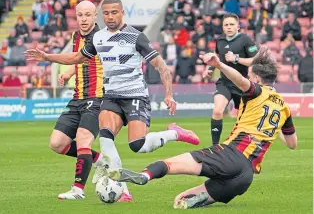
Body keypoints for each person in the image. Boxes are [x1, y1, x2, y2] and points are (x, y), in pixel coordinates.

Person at [24, 0, 200, 197]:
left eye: (114, 12)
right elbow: (77, 58)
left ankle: (174, 133)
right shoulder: (98, 38)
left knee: (138, 145)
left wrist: (169, 94)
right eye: (106, 13)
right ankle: (122, 189)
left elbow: (161, 66)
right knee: (106, 142)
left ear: (122, 12)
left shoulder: (136, 37)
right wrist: (48, 57)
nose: (110, 17)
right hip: (110, 97)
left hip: (134, 96)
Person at [108, 48, 297, 209]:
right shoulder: (284, 108)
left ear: (256, 77)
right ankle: (199, 198)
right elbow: (292, 144)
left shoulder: (257, 91)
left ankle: (144, 175)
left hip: (231, 155)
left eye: (250, 76)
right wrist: (274, 127)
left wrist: (220, 66)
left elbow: (240, 81)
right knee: (181, 200)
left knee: (170, 164)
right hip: (245, 176)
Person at [26, 1, 126, 201]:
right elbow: (81, 59)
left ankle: (78, 189)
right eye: (80, 15)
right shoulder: (75, 36)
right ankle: (99, 161)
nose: (83, 19)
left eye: (87, 15)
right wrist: (70, 73)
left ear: (95, 15)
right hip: (77, 97)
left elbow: (78, 58)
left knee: (82, 139)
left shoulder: (100, 37)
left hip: (96, 98)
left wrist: (48, 56)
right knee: (57, 143)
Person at [202, 13, 258, 145]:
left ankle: (243, 146)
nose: (229, 27)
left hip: (242, 84)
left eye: (232, 24)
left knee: (244, 119)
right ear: (222, 27)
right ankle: (214, 147)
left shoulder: (246, 40)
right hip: (225, 83)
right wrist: (209, 69)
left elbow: (256, 60)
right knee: (217, 111)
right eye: (226, 25)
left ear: (238, 26)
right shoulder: (220, 41)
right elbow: (217, 59)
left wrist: (236, 58)